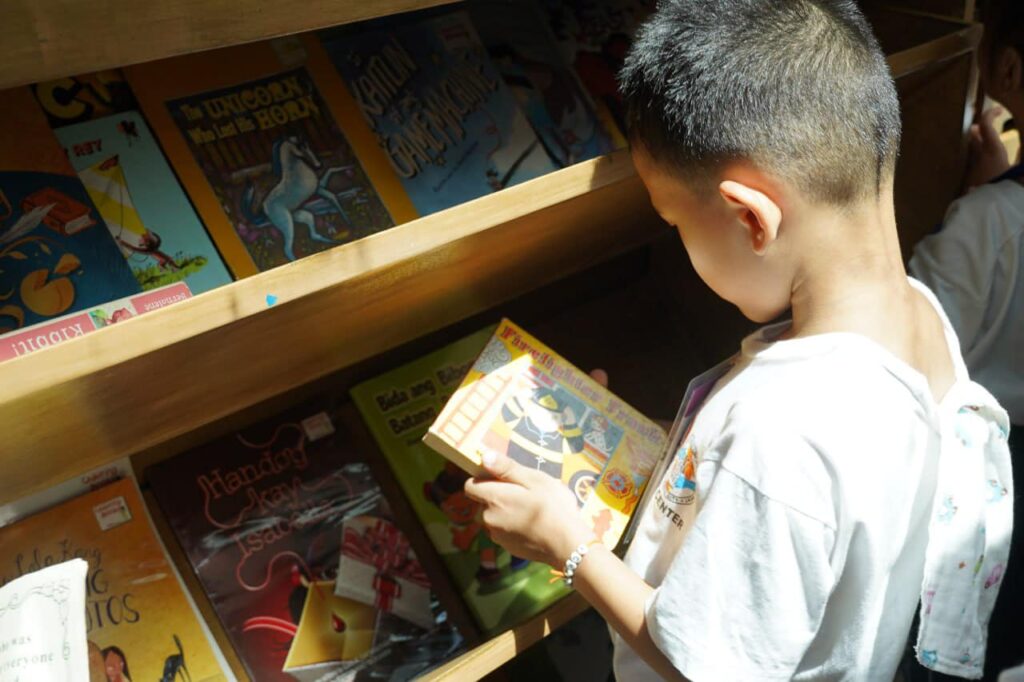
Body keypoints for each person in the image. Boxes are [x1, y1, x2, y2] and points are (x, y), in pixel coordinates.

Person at [463, 1, 1014, 680]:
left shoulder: (777, 431)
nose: (677, 238)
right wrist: (643, 448)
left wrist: (570, 548)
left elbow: (703, 664)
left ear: (751, 219)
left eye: (674, 222)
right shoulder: (919, 314)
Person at [909, 2, 1024, 677]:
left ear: (1007, 69)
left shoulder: (991, 221)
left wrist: (979, 203)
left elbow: (910, 342)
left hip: (986, 491)